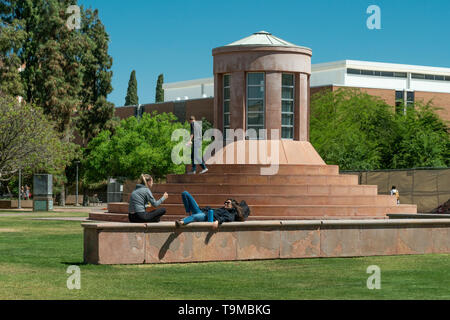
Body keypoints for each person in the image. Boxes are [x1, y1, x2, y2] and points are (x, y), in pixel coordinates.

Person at [175, 191, 249, 229]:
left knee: (195, 216)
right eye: (225, 202)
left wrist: (218, 221)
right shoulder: (222, 209)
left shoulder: (231, 213)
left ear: (232, 205)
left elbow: (228, 218)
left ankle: (182, 222)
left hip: (206, 217)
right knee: (185, 194)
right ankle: (188, 213)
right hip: (202, 212)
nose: (225, 203)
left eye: (228, 203)